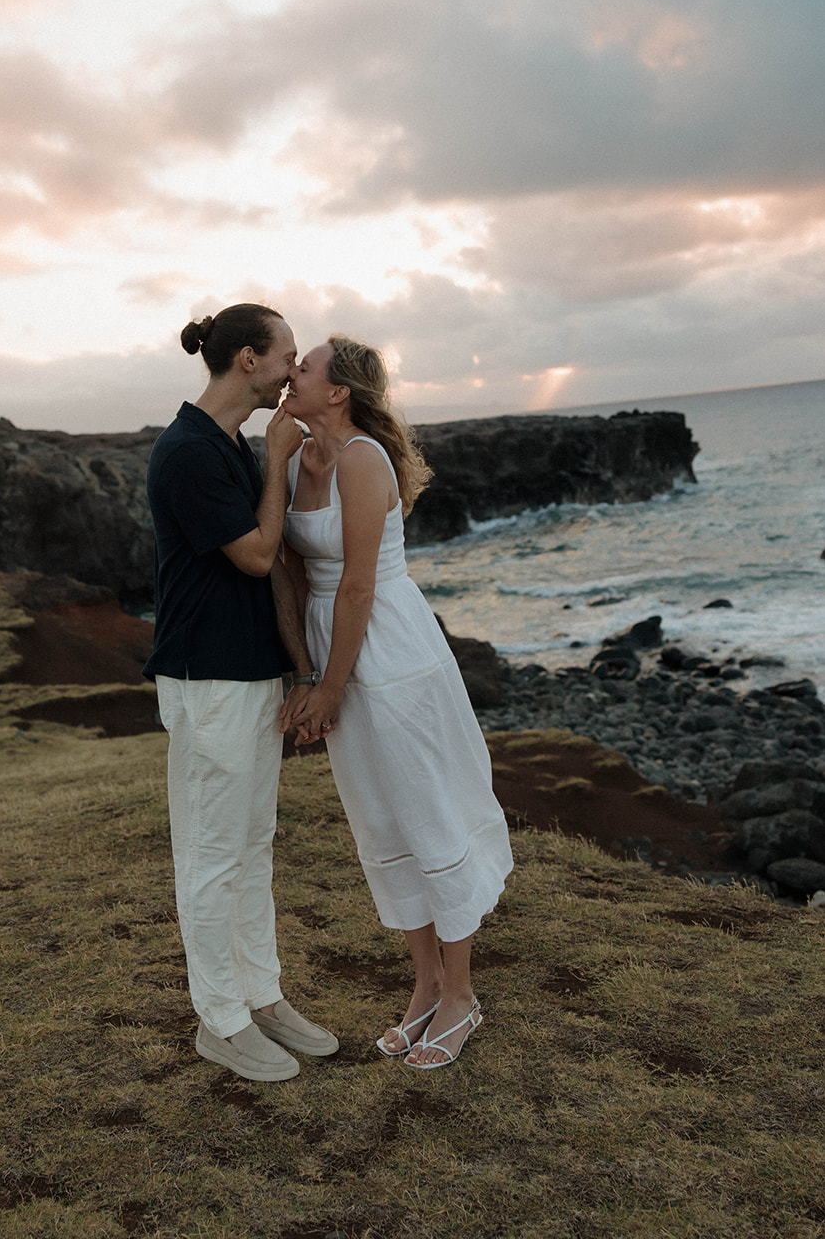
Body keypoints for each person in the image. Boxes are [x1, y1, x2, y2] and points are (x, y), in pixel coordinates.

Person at [281, 335, 513, 1070]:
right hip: (333, 644)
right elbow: (288, 570)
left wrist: (330, 687)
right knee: (380, 819)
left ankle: (461, 996)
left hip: (386, 647)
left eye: (305, 367)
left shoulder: (361, 459)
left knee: (425, 807)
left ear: (339, 391)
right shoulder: (297, 457)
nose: (291, 373)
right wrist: (303, 673)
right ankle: (423, 985)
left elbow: (354, 584)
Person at [143, 302, 338, 1082]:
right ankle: (218, 1019)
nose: (296, 373)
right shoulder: (188, 451)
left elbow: (273, 572)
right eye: (287, 356)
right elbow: (259, 555)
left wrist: (297, 670)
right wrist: (274, 459)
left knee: (252, 849)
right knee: (211, 855)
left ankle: (261, 996)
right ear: (249, 360)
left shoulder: (223, 444)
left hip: (251, 673)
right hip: (207, 677)